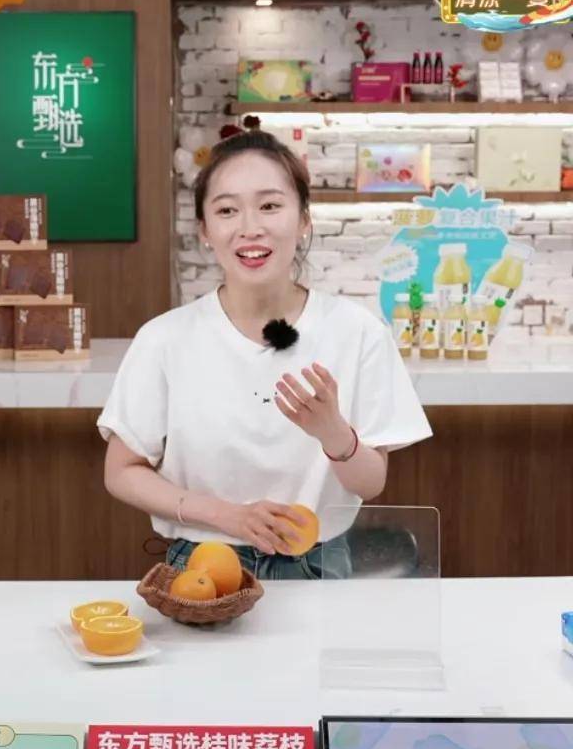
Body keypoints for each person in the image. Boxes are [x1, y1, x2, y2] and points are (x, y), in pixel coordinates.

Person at [99, 131, 432, 581]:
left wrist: (334, 434)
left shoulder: (358, 333)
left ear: (304, 220)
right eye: (226, 210)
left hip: (320, 563)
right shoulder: (163, 339)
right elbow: (121, 471)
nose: (250, 227)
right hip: (202, 564)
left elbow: (371, 483)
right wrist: (227, 516)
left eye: (270, 205)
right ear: (204, 230)